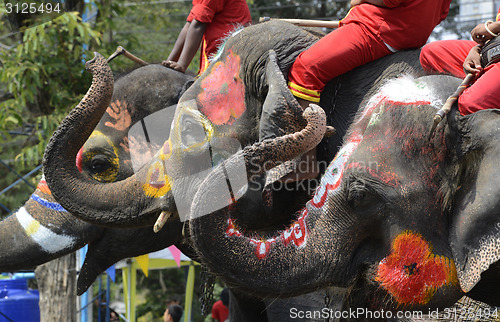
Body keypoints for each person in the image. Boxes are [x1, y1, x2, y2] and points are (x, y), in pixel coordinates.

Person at [284, 0, 452, 181]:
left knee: (305, 69)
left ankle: (305, 163)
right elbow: (442, 14)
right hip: (409, 34)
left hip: (378, 29)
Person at [420, 10, 500, 115]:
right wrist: (477, 49)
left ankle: (483, 90)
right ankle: (483, 84)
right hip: (493, 51)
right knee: (430, 54)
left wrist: (493, 27)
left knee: (469, 105)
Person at [162, 0, 251, 74]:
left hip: (229, 58)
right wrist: (169, 63)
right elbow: (190, 24)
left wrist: (182, 64)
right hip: (219, 55)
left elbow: (198, 24)